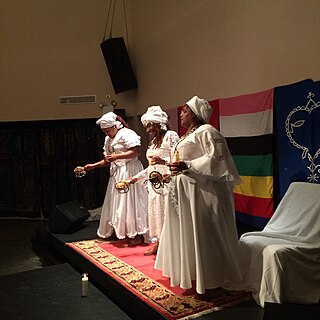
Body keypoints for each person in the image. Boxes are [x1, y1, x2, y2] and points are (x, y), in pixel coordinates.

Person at [154, 96, 243, 298]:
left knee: (205, 234)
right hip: (187, 194)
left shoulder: (208, 132)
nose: (181, 114)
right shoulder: (187, 136)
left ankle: (212, 283)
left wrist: (188, 166)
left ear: (194, 114)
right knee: (190, 233)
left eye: (184, 111)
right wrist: (174, 172)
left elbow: (218, 160)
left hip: (203, 194)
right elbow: (184, 160)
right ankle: (196, 276)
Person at [83, 111, 148, 246]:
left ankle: (136, 233)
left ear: (114, 126)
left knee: (131, 202)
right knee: (118, 203)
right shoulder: (108, 140)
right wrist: (94, 166)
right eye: (104, 131)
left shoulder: (127, 134)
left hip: (130, 170)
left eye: (108, 130)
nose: (107, 133)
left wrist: (117, 157)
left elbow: (136, 151)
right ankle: (120, 231)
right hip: (117, 172)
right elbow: (108, 159)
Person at [129, 106, 179, 255]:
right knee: (156, 213)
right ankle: (159, 241)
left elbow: (178, 158)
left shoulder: (171, 136)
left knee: (168, 212)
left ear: (158, 123)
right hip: (154, 183)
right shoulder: (153, 142)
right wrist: (135, 178)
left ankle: (171, 245)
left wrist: (162, 160)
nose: (147, 129)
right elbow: (151, 167)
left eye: (150, 125)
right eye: (146, 126)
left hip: (168, 180)